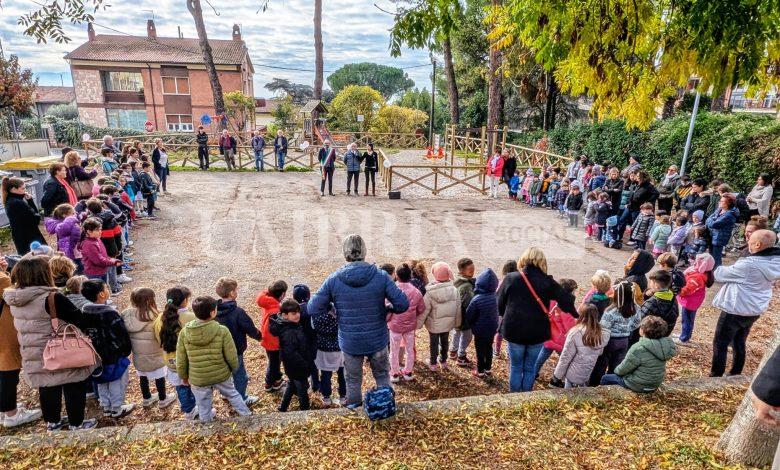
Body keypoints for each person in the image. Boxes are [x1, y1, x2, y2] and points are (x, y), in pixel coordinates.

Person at [307, 234, 409, 408]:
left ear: (345, 253)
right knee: (382, 376)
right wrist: (387, 309)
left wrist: (333, 310)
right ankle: (386, 408)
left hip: (350, 341)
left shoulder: (334, 279)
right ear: (364, 251)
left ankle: (355, 411)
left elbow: (313, 308)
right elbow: (402, 304)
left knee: (353, 381)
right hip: (377, 339)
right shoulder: (381, 276)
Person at [4, 256, 97, 430]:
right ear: (44, 274)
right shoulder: (52, 298)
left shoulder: (14, 298)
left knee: (47, 386)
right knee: (73, 384)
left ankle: (53, 423)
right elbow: (79, 319)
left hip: (33, 351)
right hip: (60, 349)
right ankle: (76, 423)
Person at [498, 247, 576, 392]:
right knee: (529, 368)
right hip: (537, 332)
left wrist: (507, 314)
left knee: (516, 367)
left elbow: (499, 304)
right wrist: (575, 314)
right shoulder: (547, 281)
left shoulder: (512, 278)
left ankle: (515, 397)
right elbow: (567, 300)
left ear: (524, 259)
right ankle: (526, 396)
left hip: (514, 330)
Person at [710, 230, 780, 377]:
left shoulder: (749, 264)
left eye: (750, 240)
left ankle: (716, 375)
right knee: (739, 341)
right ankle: (736, 372)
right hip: (754, 308)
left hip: (736, 309)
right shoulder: (775, 261)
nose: (747, 242)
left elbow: (720, 274)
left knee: (720, 343)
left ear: (758, 244)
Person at [177, 296, 251, 422]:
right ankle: (246, 416)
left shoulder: (184, 333)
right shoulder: (222, 330)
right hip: (221, 373)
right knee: (233, 395)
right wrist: (233, 368)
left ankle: (206, 424)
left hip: (199, 377)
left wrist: (184, 376)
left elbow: (181, 359)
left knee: (203, 404)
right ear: (213, 312)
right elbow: (231, 354)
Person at [80, 280, 135, 418]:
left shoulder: (84, 312)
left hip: (94, 355)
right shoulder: (109, 313)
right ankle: (117, 408)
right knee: (116, 380)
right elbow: (121, 333)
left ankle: (106, 406)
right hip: (113, 354)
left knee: (101, 380)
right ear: (101, 294)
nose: (108, 289)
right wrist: (126, 350)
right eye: (106, 288)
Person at [0, 258, 42, 428]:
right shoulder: (1, 279)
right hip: (5, 332)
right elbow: (16, 297)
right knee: (8, 372)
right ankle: (11, 414)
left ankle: (4, 409)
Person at [121, 287, 175, 409]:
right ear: (150, 300)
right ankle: (163, 399)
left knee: (143, 376)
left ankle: (146, 398)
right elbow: (161, 336)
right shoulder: (156, 316)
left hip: (138, 355)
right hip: (155, 354)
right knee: (159, 376)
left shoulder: (127, 315)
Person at [154, 286, 198, 419]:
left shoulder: (160, 318)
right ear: (185, 300)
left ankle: (188, 410)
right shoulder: (191, 317)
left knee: (181, 387)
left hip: (171, 360)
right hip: (190, 360)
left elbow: (158, 339)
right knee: (197, 386)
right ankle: (200, 407)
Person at [215, 277, 261, 405]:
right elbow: (249, 328)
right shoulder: (238, 312)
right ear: (231, 293)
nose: (237, 292)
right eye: (236, 290)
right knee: (240, 375)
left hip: (220, 350)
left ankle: (226, 393)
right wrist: (259, 336)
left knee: (226, 373)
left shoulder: (213, 311)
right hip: (236, 349)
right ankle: (241, 398)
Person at [600, 316, 677, 392]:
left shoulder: (638, 348)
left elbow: (623, 369)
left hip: (639, 385)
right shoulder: (664, 345)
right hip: (655, 384)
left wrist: (616, 371)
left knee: (605, 378)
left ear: (643, 331)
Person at [590, 281, 640, 386]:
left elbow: (604, 327)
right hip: (624, 341)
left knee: (601, 364)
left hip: (610, 341)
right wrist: (627, 329)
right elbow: (637, 323)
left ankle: (595, 384)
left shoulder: (611, 311)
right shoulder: (636, 308)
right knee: (616, 365)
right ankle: (610, 384)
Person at [268, 299, 313, 411]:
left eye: (298, 312)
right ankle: (305, 410)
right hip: (297, 367)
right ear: (285, 315)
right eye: (293, 313)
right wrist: (305, 364)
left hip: (292, 367)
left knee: (292, 385)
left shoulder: (292, 325)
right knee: (302, 391)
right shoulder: (289, 332)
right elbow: (291, 353)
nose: (297, 315)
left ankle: (283, 407)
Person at [553, 304, 610, 388]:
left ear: (581, 315)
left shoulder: (575, 332)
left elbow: (565, 357)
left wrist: (556, 376)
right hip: (587, 373)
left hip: (572, 374)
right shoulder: (603, 333)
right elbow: (600, 352)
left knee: (568, 393)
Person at [533, 278, 578, 385]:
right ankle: (557, 379)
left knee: (541, 356)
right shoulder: (566, 308)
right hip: (560, 340)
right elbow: (569, 327)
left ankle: (533, 373)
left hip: (548, 335)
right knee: (565, 360)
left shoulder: (550, 300)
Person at [387, 263, 425, 382]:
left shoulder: (392, 290)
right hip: (409, 326)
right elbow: (421, 308)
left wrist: (388, 319)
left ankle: (394, 373)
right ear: (410, 276)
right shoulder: (416, 292)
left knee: (394, 350)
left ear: (396, 276)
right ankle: (408, 372)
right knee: (409, 349)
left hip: (395, 326)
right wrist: (412, 315)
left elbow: (387, 307)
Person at [419, 262, 460, 371]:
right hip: (447, 324)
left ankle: (433, 363)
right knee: (445, 341)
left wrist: (418, 323)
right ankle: (443, 361)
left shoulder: (430, 292)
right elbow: (458, 307)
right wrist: (457, 322)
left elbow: (425, 309)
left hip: (434, 325)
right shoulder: (455, 290)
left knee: (434, 343)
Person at [311, 298, 346, 406]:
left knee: (325, 375)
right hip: (339, 349)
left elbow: (313, 328)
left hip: (324, 350)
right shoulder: (339, 316)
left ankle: (326, 397)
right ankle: (343, 396)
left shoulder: (316, 317)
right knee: (342, 374)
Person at [465, 268, 500, 377]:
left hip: (479, 330)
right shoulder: (496, 297)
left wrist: (472, 325)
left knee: (480, 349)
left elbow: (469, 314)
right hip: (492, 328)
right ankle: (488, 368)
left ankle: (480, 371)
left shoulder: (477, 299)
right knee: (489, 347)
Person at [256, 280, 287, 392]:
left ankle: (277, 379)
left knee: (274, 361)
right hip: (274, 342)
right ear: (282, 294)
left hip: (267, 339)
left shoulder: (267, 301)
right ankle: (269, 383)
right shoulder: (277, 309)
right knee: (274, 363)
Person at [677, 253, 715, 343]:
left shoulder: (698, 277)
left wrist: (677, 291)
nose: (694, 262)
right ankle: (684, 335)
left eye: (697, 261)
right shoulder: (699, 272)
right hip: (691, 300)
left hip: (690, 302)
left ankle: (684, 338)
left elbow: (687, 289)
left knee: (687, 320)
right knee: (687, 319)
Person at [2, 177, 46, 256]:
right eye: (23, 188)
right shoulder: (17, 203)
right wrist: (31, 202)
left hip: (21, 236)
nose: (25, 191)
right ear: (13, 189)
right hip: (29, 237)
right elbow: (35, 219)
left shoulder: (10, 201)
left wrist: (29, 201)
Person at [451, 258, 476, 366]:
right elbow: (469, 304)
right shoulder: (467, 287)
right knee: (467, 336)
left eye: (473, 269)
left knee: (456, 332)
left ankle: (453, 351)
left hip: (456, 315)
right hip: (464, 317)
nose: (473, 272)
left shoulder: (457, 281)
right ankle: (461, 356)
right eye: (470, 270)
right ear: (462, 271)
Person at [706, 194, 739, 268]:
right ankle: (712, 271)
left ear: (729, 203)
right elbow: (707, 219)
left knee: (716, 257)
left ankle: (717, 272)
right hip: (712, 235)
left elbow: (714, 224)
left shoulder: (729, 215)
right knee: (711, 256)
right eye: (720, 201)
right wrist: (711, 220)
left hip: (719, 238)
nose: (719, 202)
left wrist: (711, 220)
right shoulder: (719, 210)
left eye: (722, 201)